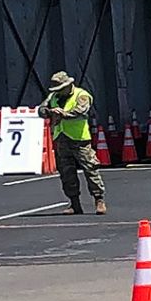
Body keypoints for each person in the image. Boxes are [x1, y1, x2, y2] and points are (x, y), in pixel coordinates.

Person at [40, 71, 106, 215]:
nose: (59, 92)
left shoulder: (81, 95)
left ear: (69, 85)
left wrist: (62, 114)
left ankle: (99, 199)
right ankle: (74, 203)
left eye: (61, 88)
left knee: (90, 168)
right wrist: (51, 112)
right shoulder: (53, 97)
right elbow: (41, 110)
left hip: (79, 140)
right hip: (61, 139)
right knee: (66, 172)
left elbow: (80, 111)